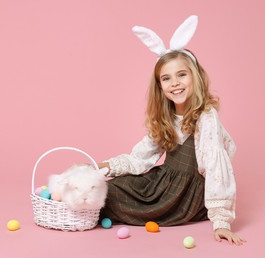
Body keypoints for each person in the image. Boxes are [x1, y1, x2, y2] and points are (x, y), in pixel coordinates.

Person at [97, 16, 246, 245]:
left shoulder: (206, 117)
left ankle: (94, 209)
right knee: (111, 189)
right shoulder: (166, 117)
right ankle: (78, 205)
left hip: (183, 196)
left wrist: (221, 221)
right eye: (166, 78)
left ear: (195, 77)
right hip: (162, 183)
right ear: (160, 87)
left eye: (182, 75)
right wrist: (107, 167)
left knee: (117, 201)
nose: (174, 83)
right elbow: (141, 157)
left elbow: (217, 168)